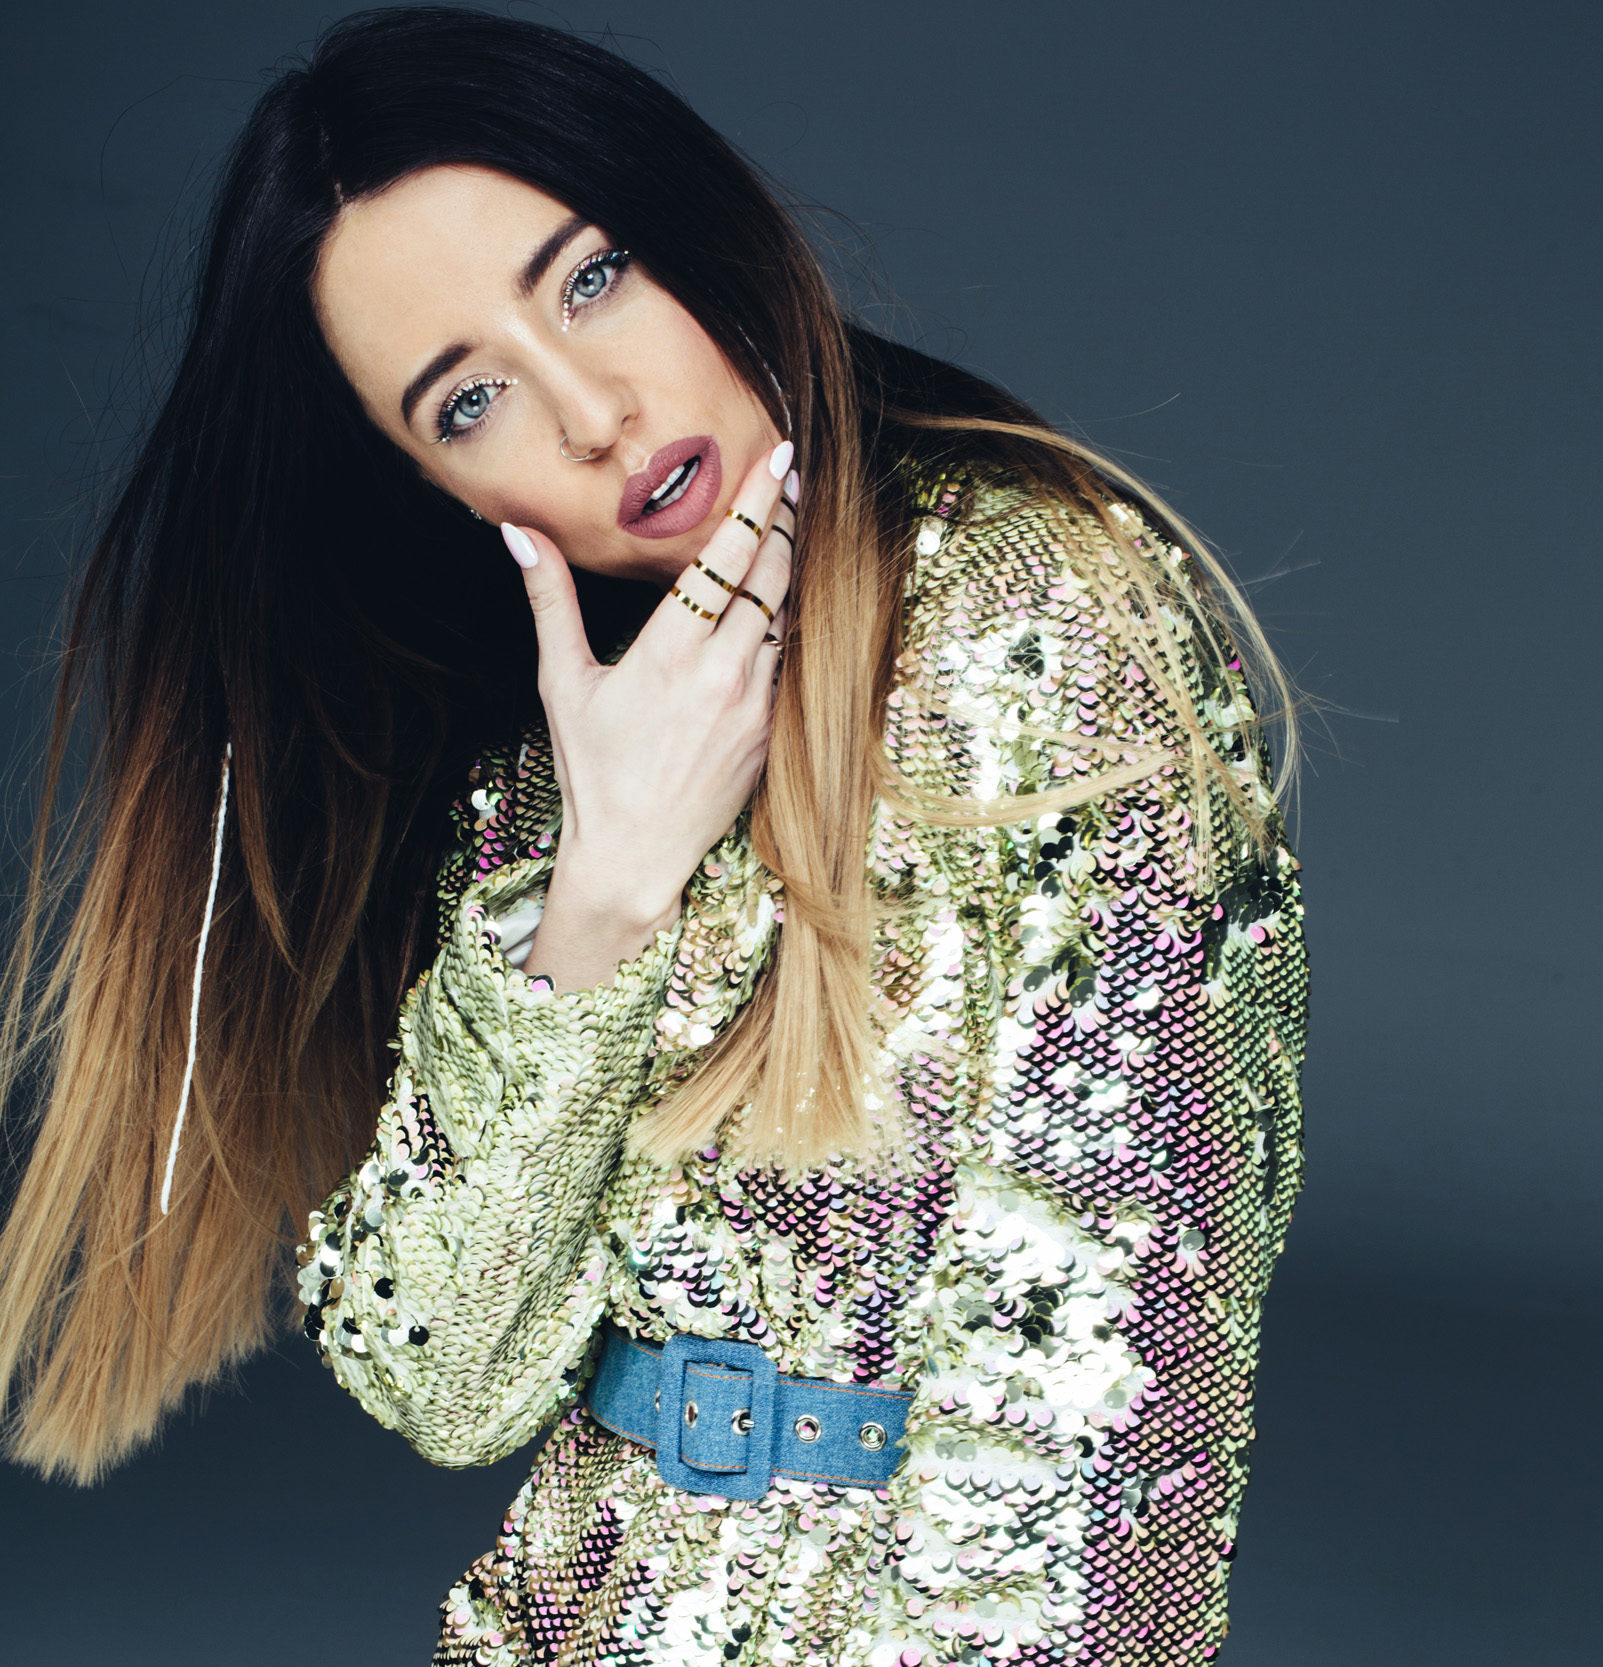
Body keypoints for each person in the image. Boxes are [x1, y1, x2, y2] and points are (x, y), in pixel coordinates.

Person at [0, 8, 1310, 1664]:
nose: (595, 414)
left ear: (692, 219)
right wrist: (603, 895)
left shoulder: (1042, 615)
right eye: (471, 399)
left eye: (592, 279)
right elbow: (446, 1378)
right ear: (434, 487)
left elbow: (1110, 1415)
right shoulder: (563, 754)